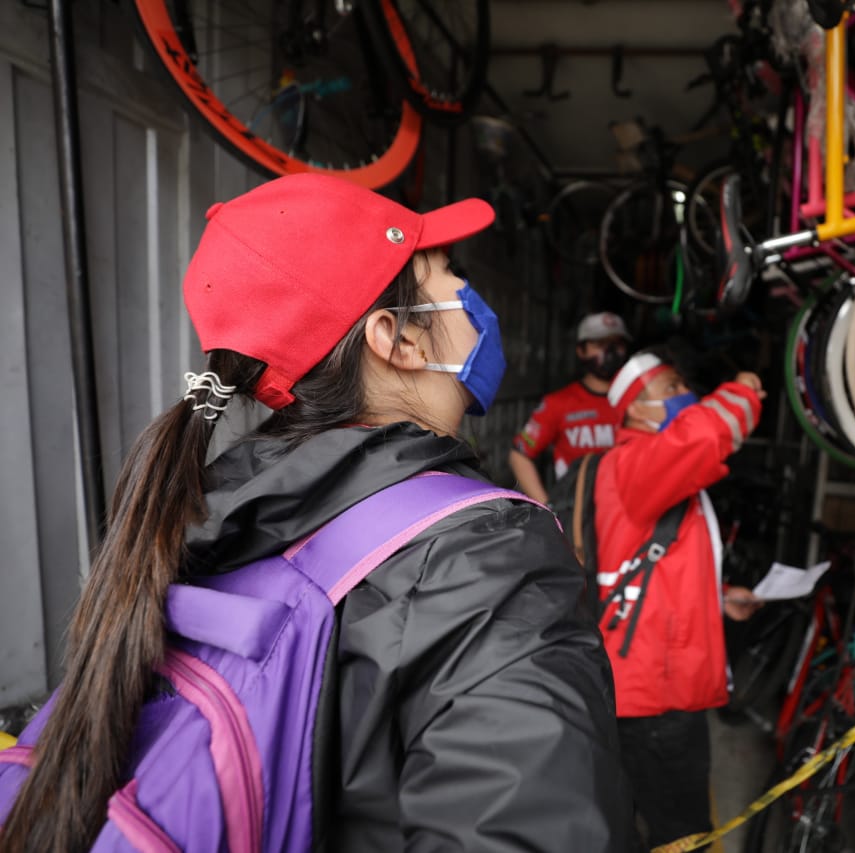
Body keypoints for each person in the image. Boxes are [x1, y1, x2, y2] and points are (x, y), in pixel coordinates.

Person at [0, 174, 631, 852]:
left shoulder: (214, 521)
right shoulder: (485, 558)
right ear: (398, 339)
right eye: (449, 274)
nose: (470, 298)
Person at [593, 350, 767, 848]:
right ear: (634, 410)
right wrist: (744, 388)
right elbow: (709, 433)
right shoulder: (638, 460)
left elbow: (652, 572)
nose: (683, 395)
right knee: (682, 835)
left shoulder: (643, 466)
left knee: (655, 823)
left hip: (651, 688)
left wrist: (716, 600)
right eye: (669, 389)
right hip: (655, 702)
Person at [508, 312, 631, 503]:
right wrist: (548, 507)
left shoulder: (639, 402)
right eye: (599, 345)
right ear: (581, 351)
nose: (610, 352)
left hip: (627, 509)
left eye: (617, 344)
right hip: (576, 511)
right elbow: (520, 455)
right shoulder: (558, 403)